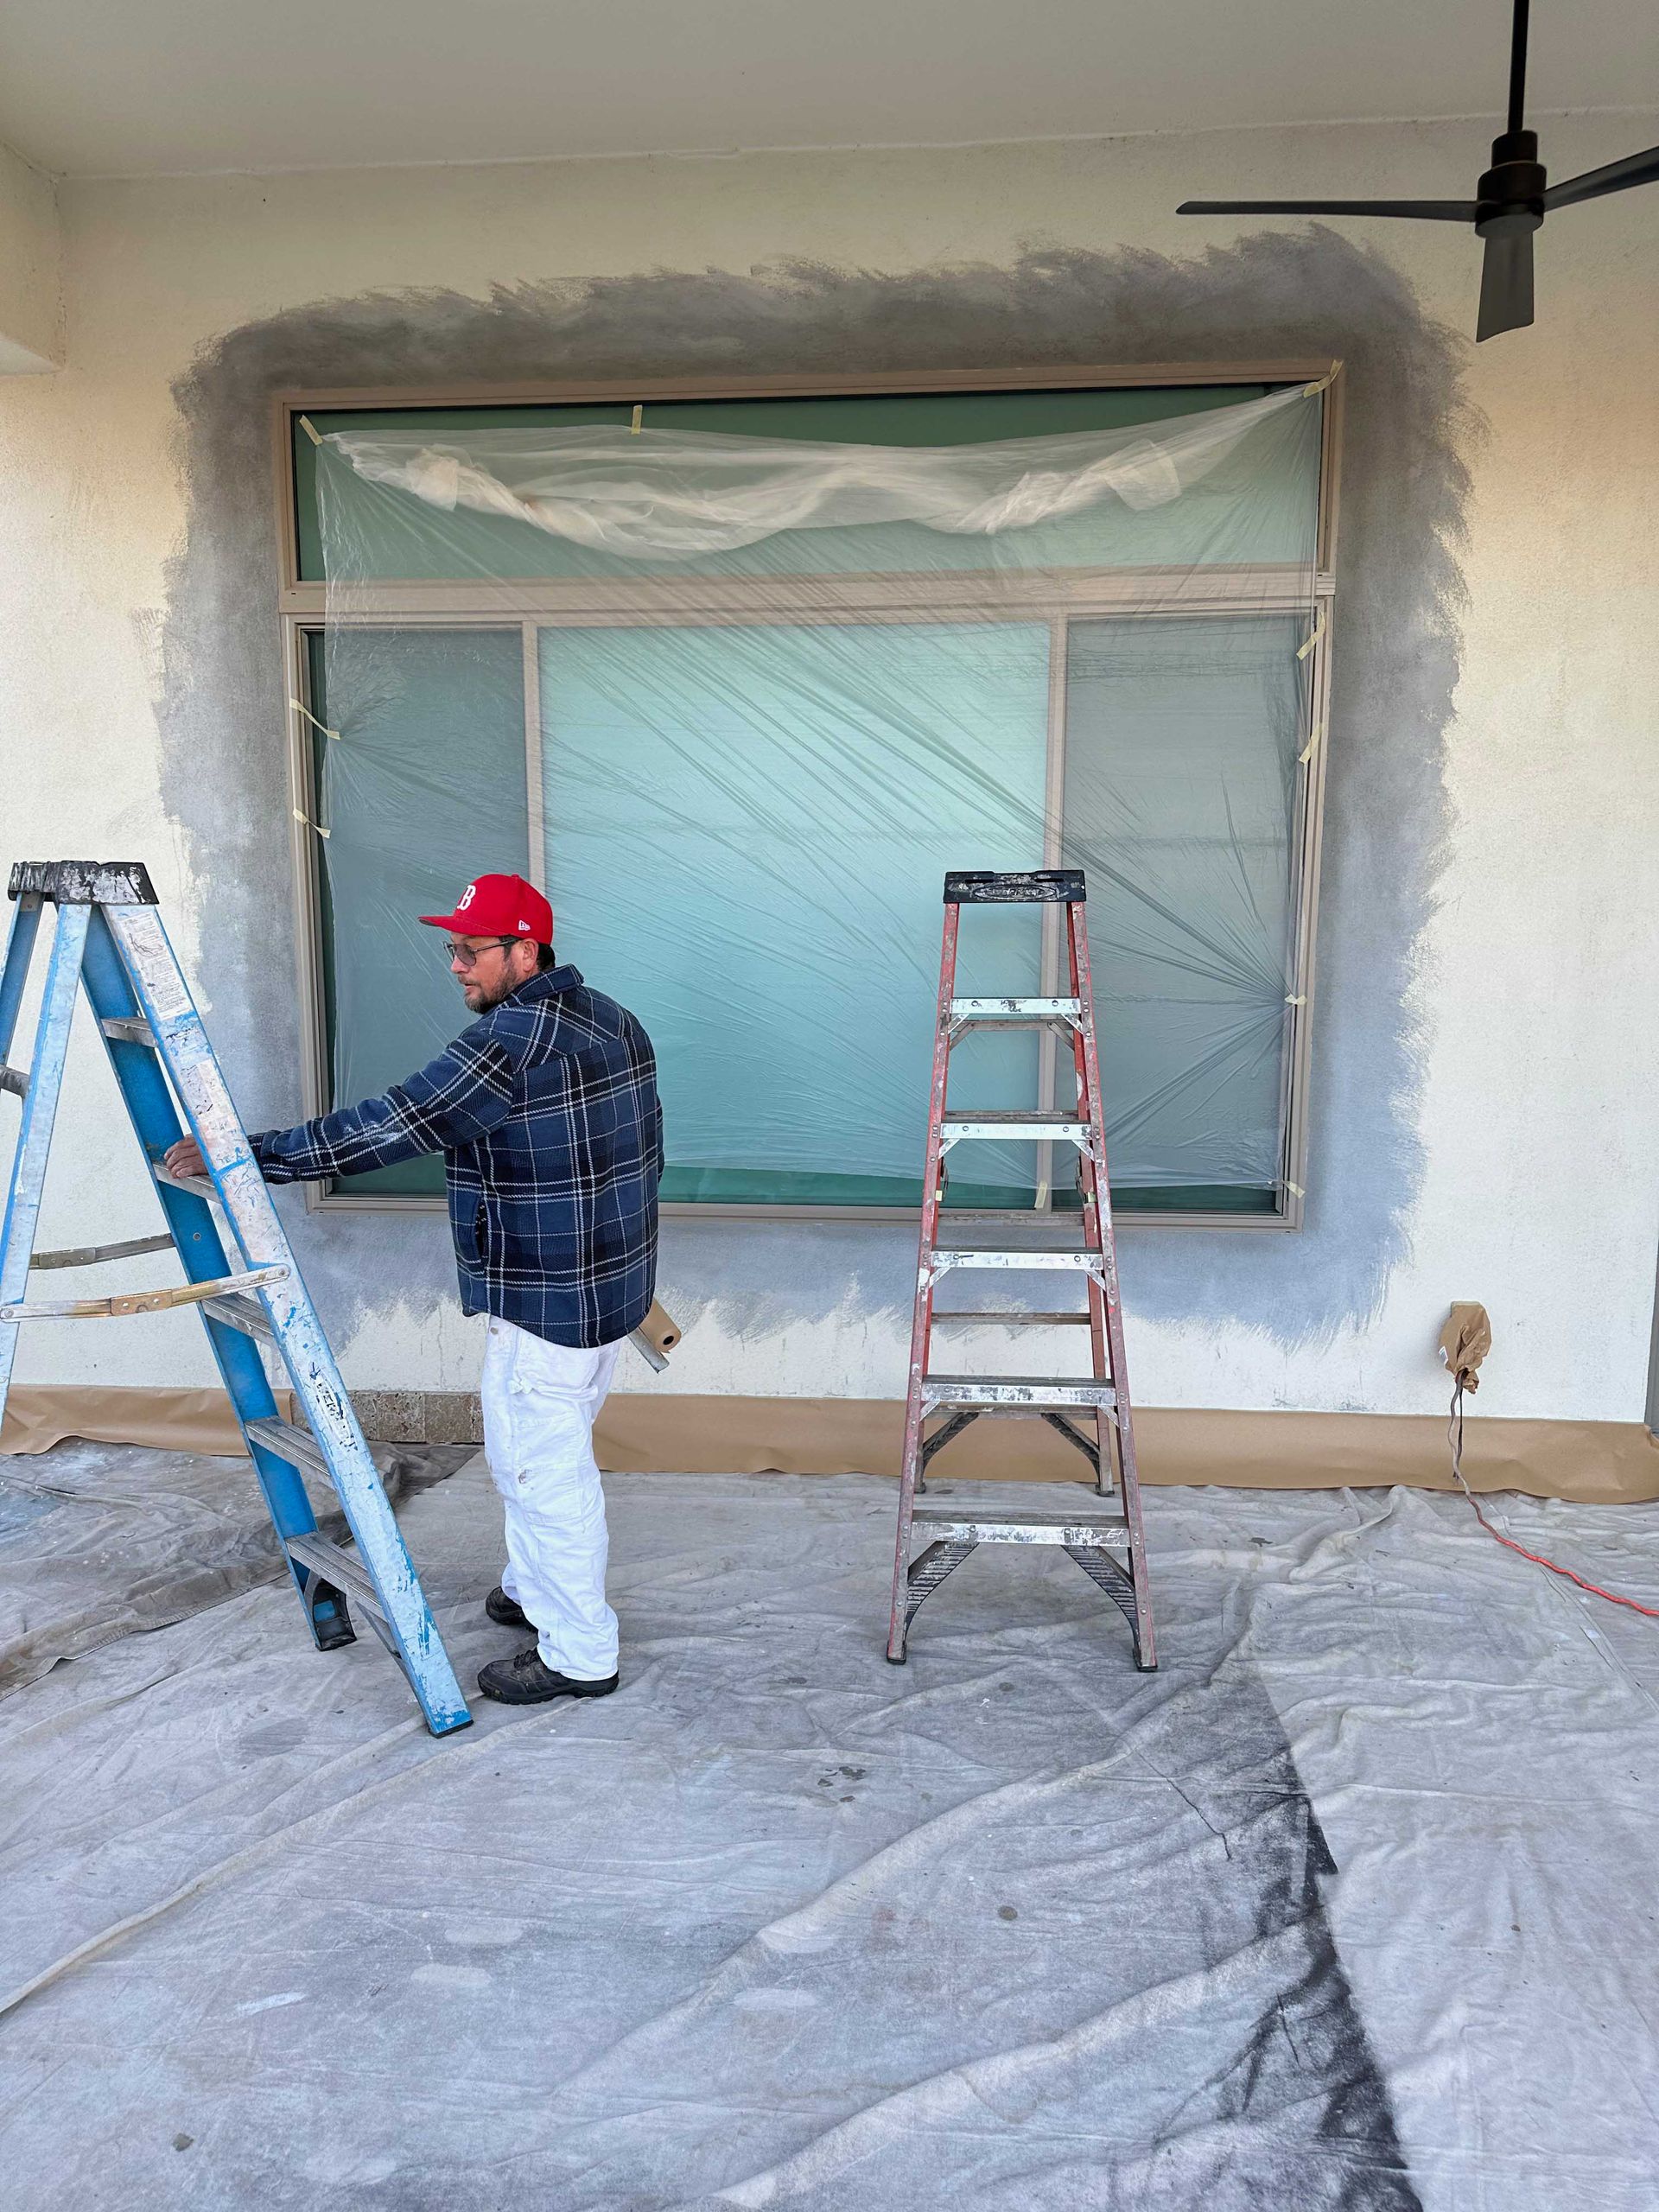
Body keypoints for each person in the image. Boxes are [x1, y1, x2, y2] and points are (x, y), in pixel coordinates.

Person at [163, 871, 663, 1707]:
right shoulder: (611, 1017)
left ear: (526, 951)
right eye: (452, 950)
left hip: (545, 1298)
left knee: (541, 1474)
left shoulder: (507, 1041)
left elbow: (396, 1123)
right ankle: (533, 1591)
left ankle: (580, 1653)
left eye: (471, 950)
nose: (457, 965)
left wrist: (245, 1156)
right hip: (610, 1286)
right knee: (541, 1448)